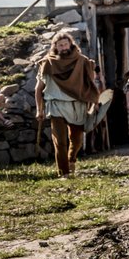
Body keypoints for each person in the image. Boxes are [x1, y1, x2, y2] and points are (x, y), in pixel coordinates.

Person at [35, 31, 100, 178]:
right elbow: (38, 88)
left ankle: (71, 160)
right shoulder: (47, 63)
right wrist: (39, 109)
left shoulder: (82, 61)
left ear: (71, 44)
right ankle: (63, 173)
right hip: (56, 105)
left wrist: (94, 102)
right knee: (59, 141)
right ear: (55, 47)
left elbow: (90, 84)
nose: (64, 47)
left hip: (77, 105)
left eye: (65, 44)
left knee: (76, 140)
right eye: (60, 45)